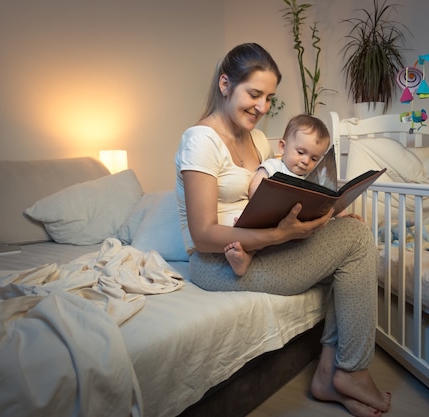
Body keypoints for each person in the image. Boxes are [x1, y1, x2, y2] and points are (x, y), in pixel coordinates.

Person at [174, 42, 391, 417]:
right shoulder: (199, 140)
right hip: (215, 261)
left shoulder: (257, 139)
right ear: (225, 84)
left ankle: (330, 376)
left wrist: (327, 212)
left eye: (269, 98)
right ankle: (349, 372)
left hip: (256, 247)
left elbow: (272, 198)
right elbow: (203, 234)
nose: (262, 107)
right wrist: (281, 236)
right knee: (355, 244)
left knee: (350, 240)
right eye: (254, 94)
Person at [224, 113, 332, 276]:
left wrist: (344, 212)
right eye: (301, 152)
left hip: (295, 229)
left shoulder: (312, 178)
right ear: (282, 146)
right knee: (256, 232)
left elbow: (329, 200)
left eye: (314, 158)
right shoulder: (274, 166)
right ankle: (243, 258)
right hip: (270, 218)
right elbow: (255, 187)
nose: (305, 161)